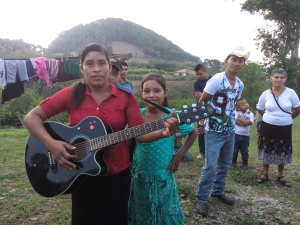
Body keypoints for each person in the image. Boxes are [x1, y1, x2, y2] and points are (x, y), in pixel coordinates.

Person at [23, 44, 179, 225]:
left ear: (109, 67)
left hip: (117, 174)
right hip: (81, 173)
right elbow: (31, 118)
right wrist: (52, 144)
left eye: (101, 63)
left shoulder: (125, 98)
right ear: (81, 69)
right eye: (89, 64)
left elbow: (139, 134)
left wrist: (163, 132)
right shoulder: (71, 94)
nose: (96, 69)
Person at [128, 73, 197, 224]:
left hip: (163, 175)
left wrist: (178, 155)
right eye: (147, 91)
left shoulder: (173, 117)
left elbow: (193, 133)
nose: (151, 95)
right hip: (140, 175)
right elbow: (131, 138)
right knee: (141, 212)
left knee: (164, 211)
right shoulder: (136, 115)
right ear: (142, 93)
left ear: (166, 92)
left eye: (156, 90)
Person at [195, 46, 249, 216]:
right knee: (210, 166)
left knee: (225, 164)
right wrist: (202, 119)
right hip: (214, 131)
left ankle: (218, 191)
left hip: (230, 130)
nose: (237, 63)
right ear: (226, 61)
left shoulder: (240, 84)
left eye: (240, 61)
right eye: (234, 59)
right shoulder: (217, 80)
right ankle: (202, 198)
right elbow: (202, 102)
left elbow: (232, 104)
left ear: (243, 65)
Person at [256, 68, 300, 187]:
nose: (279, 80)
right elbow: (259, 108)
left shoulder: (291, 93)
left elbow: (297, 109)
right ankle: (265, 173)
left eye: (282, 77)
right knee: (267, 147)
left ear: (285, 79)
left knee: (282, 149)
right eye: (276, 77)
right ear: (271, 79)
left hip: (284, 126)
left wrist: (289, 118)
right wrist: (268, 116)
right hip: (267, 126)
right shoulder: (265, 93)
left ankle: (280, 175)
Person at [193, 64, 212, 160]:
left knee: (212, 129)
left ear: (205, 71)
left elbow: (217, 95)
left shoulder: (213, 80)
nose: (199, 76)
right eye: (197, 75)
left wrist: (203, 95)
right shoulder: (196, 83)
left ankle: (211, 151)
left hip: (212, 108)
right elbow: (197, 96)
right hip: (200, 109)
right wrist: (209, 94)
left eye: (200, 74)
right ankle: (202, 151)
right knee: (201, 130)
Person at [232, 98, 254, 169]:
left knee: (244, 150)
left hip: (245, 135)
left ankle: (245, 162)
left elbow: (250, 122)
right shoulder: (236, 112)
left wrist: (240, 119)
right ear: (238, 107)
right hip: (236, 134)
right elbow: (236, 121)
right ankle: (233, 161)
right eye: (243, 104)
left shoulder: (250, 113)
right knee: (235, 149)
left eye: (246, 103)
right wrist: (245, 121)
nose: (246, 105)